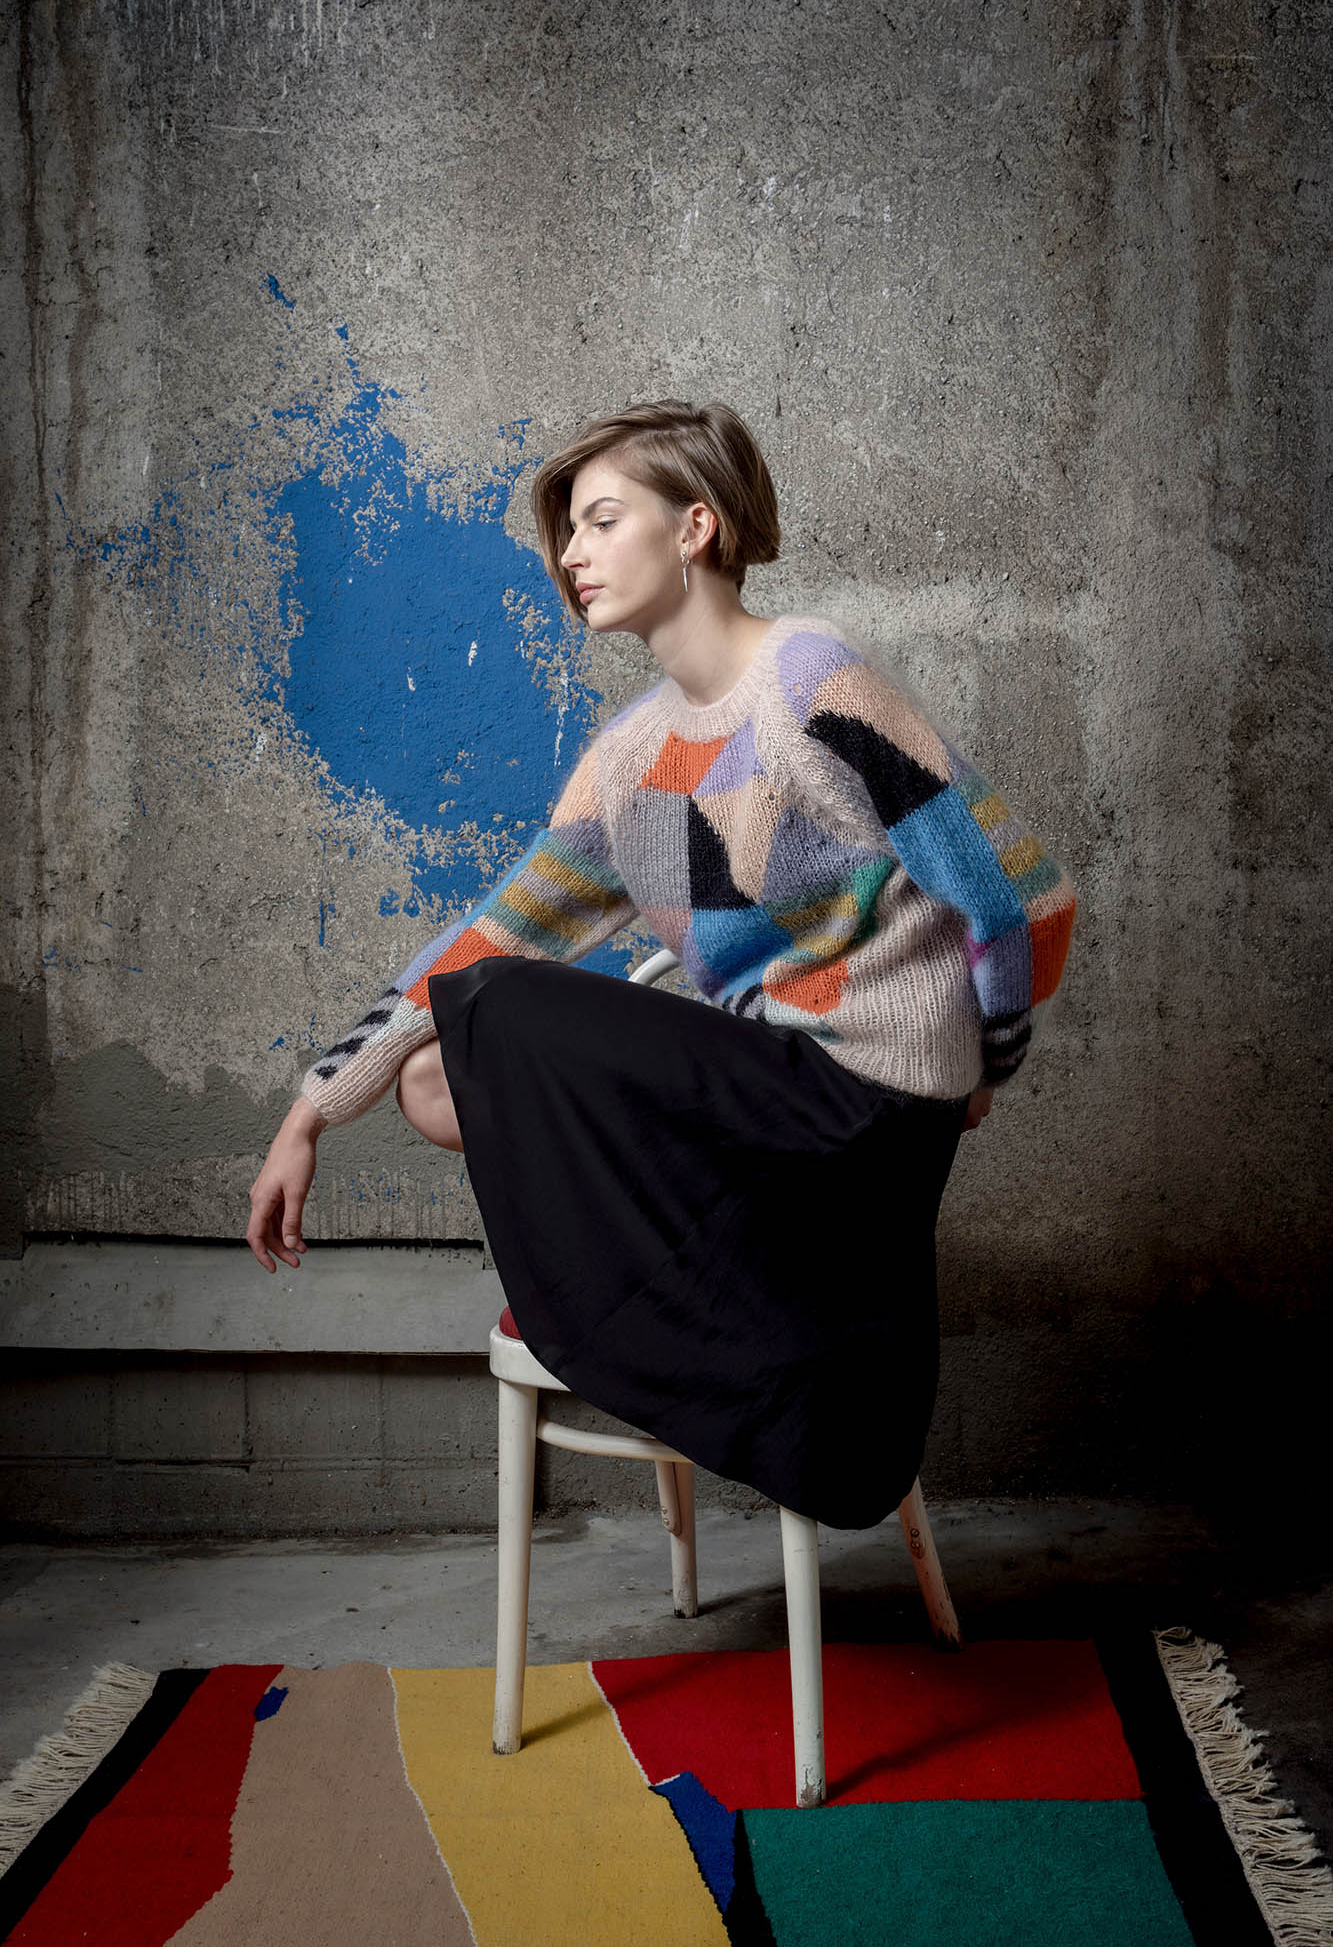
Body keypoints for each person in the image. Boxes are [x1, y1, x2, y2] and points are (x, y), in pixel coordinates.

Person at [245, 399, 1075, 1529]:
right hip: (769, 1109)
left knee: (491, 1009)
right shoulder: (633, 757)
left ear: (694, 526)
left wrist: (986, 1066)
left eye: (597, 521)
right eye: (565, 534)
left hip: (864, 1113)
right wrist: (312, 1110)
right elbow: (494, 930)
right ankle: (698, 1312)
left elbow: (1020, 894)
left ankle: (674, 1327)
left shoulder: (808, 683)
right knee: (440, 1069)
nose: (570, 556)